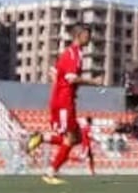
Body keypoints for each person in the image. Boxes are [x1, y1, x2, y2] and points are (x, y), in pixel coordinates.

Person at [26, 24, 103, 184]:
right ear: (79, 36)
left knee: (76, 138)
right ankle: (50, 173)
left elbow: (53, 73)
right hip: (64, 101)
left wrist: (60, 90)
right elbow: (71, 78)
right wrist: (94, 82)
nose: (89, 38)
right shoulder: (74, 54)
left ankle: (42, 138)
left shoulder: (68, 53)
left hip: (63, 99)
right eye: (87, 35)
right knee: (70, 138)